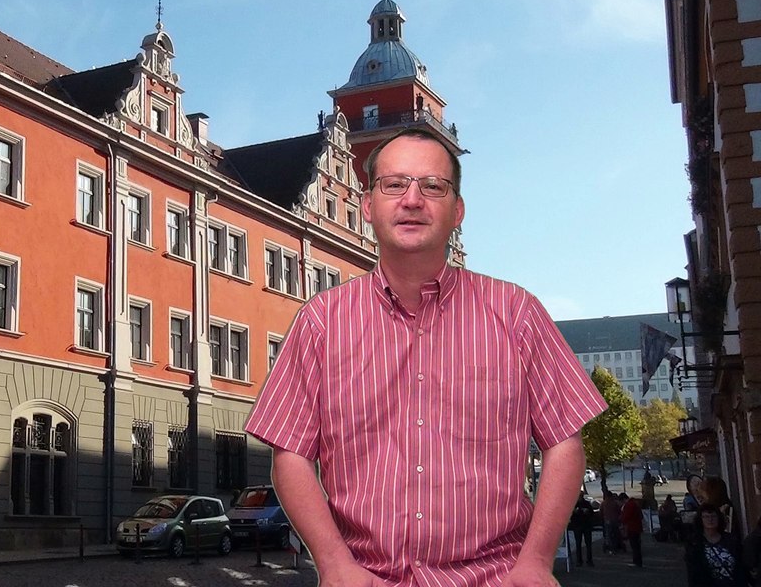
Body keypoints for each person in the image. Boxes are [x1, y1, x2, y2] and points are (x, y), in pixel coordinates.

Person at [243, 128, 608, 587]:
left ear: (457, 211)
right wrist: (334, 564)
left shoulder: (516, 313)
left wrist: (536, 561)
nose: (412, 200)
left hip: (492, 579)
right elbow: (290, 453)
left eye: (433, 186)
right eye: (394, 184)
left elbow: (565, 444)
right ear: (368, 205)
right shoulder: (321, 321)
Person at [687, 504, 747, 586]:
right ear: (700, 520)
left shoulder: (731, 539)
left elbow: (741, 564)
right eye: (706, 517)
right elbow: (693, 572)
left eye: (713, 516)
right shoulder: (695, 543)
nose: (710, 519)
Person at [569, 493, 596, 566]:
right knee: (581, 544)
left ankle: (584, 560)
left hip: (582, 525)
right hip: (581, 525)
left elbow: (591, 513)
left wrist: (587, 512)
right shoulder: (584, 504)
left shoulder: (579, 504)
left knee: (584, 544)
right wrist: (574, 512)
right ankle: (583, 560)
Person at [621, 491, 645, 568]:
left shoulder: (629, 505)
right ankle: (638, 561)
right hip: (637, 527)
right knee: (637, 545)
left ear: (623, 499)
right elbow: (641, 516)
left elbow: (626, 516)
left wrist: (622, 520)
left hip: (632, 527)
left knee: (634, 545)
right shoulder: (635, 503)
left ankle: (636, 562)